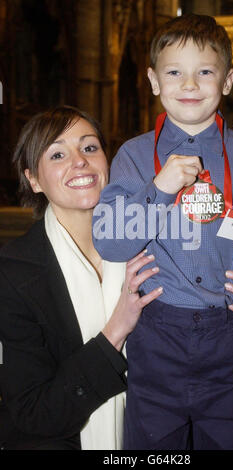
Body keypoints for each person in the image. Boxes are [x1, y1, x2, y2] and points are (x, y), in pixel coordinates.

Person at [93, 14, 233, 450]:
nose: (190, 84)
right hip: (159, 334)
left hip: (232, 334)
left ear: (229, 80)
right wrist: (159, 188)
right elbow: (111, 241)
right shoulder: (134, 157)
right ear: (153, 80)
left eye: (205, 71)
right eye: (174, 72)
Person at [0, 106, 163, 450]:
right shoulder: (14, 273)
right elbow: (32, 413)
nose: (79, 161)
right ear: (33, 179)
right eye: (57, 154)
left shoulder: (152, 242)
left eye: (90, 148)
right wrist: (115, 330)